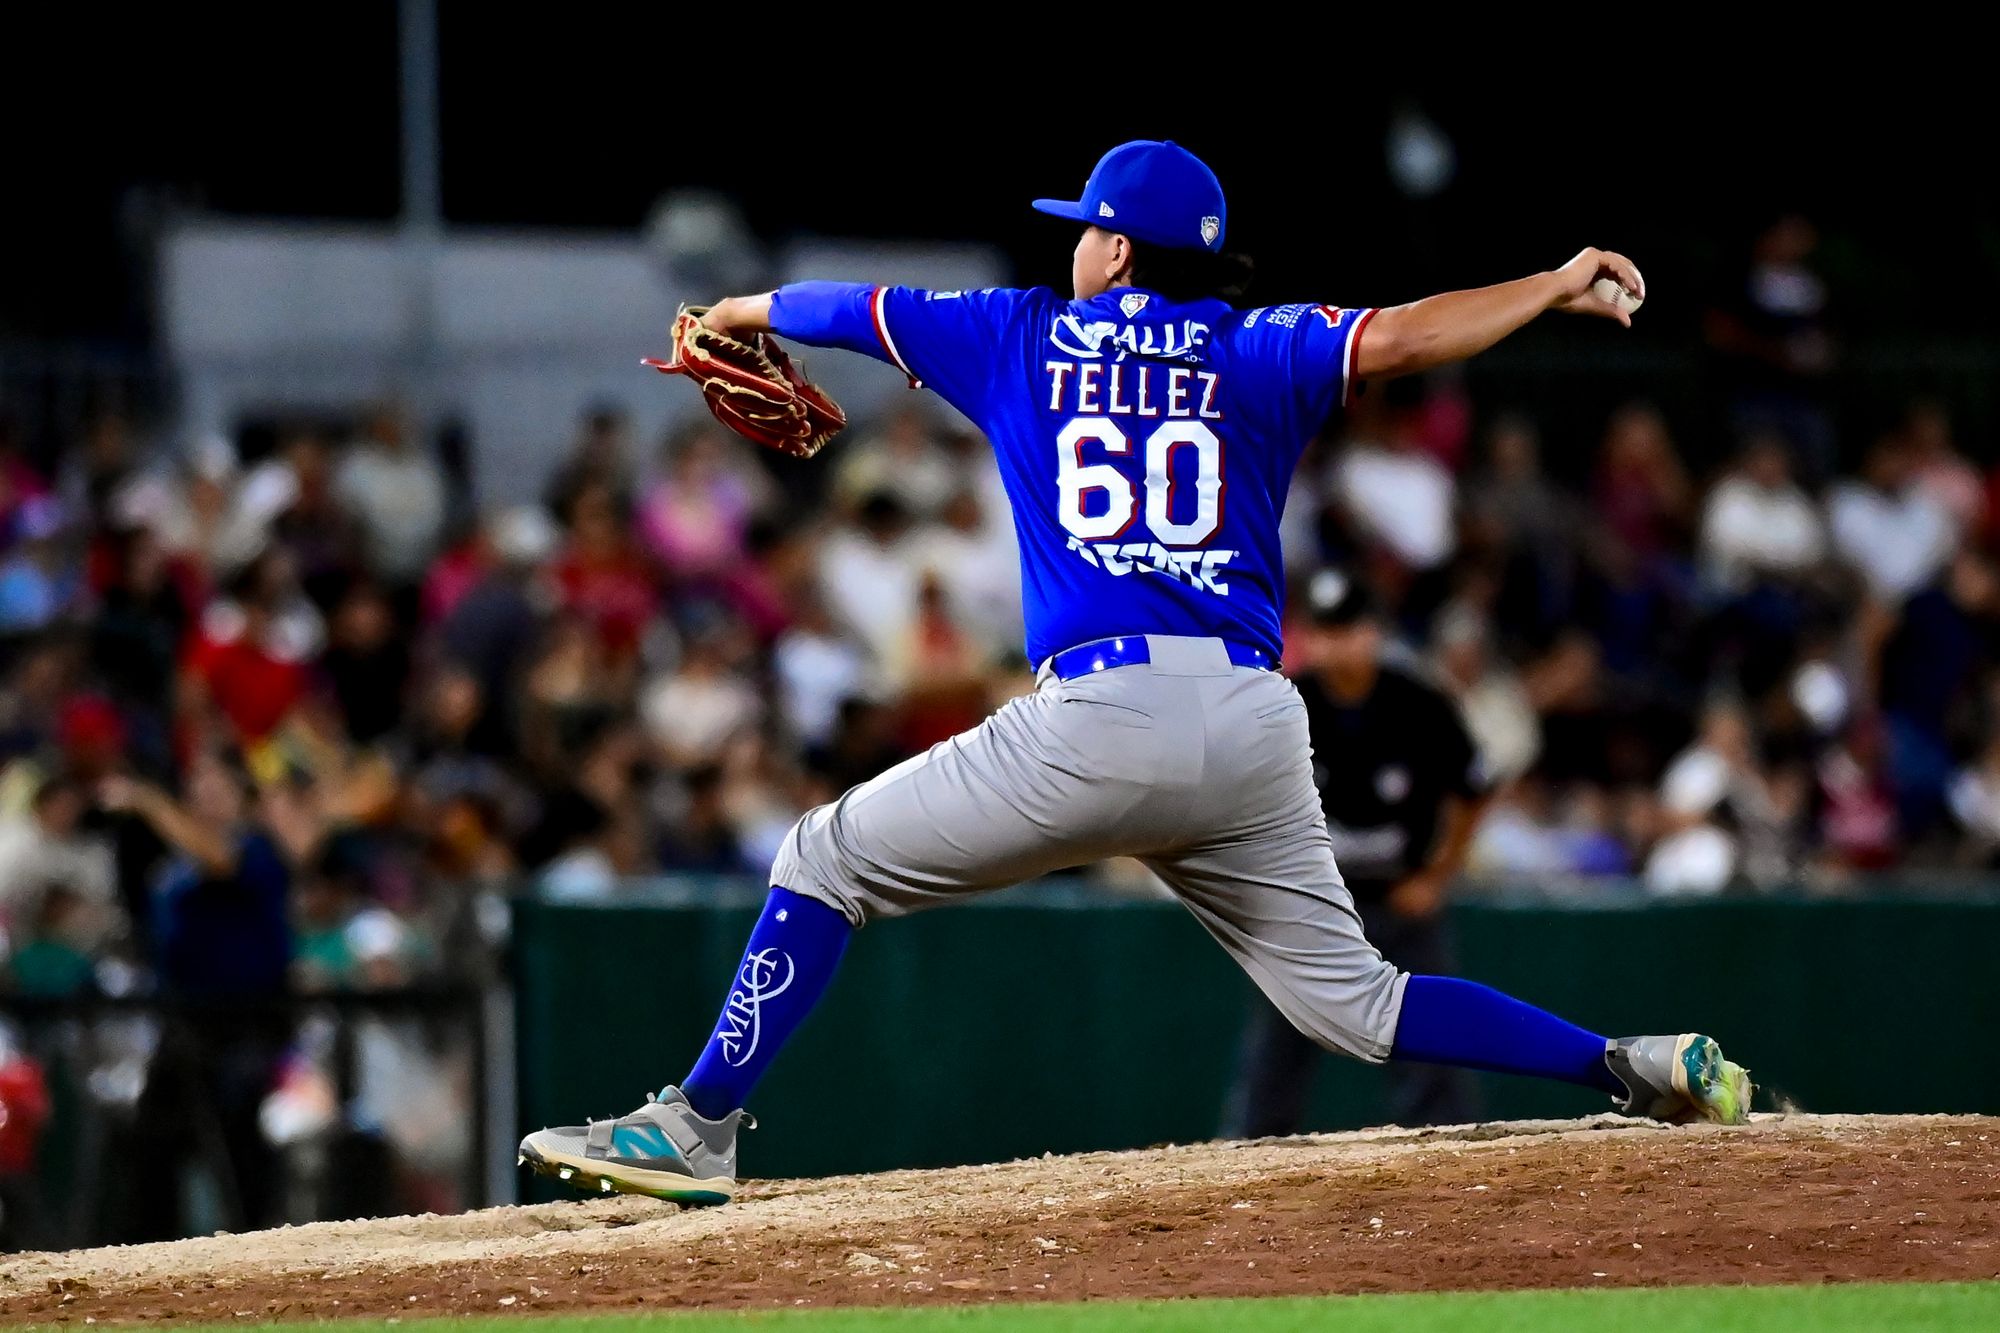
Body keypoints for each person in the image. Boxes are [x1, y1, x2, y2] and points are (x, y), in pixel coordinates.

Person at [520, 139, 1751, 1204]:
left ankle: (695, 1126)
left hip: (1100, 721)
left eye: (1087, 230)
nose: (1075, 247)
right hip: (1255, 724)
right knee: (1362, 1004)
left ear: (1113, 248)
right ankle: (1624, 1059)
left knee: (818, 858)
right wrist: (1548, 283)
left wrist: (736, 312)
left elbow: (845, 306)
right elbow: (1409, 334)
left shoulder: (1015, 334)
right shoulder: (1260, 346)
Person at [1222, 571, 1494, 1134]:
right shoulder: (1284, 703)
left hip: (1399, 897)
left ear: (1374, 632)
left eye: (1349, 629)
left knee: (1426, 1035)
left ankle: (1451, 1151)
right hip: (1310, 905)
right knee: (1278, 1043)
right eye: (1325, 631)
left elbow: (1473, 789)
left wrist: (1438, 876)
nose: (1337, 644)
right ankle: (1251, 1154)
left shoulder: (1418, 701)